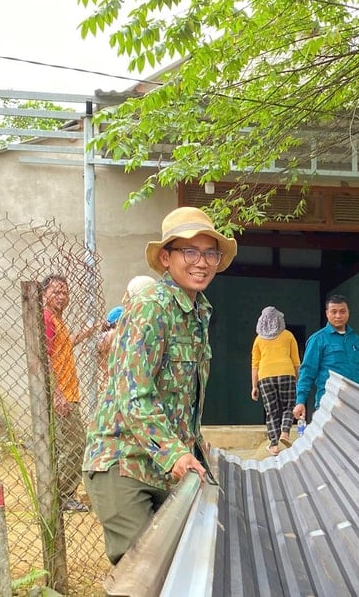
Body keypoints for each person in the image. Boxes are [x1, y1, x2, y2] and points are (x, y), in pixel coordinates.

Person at [83, 206, 237, 565]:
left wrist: (194, 448)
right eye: (190, 251)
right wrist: (175, 453)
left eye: (210, 253)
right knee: (143, 572)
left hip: (165, 466)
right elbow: (133, 394)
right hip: (124, 463)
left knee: (179, 569)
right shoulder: (151, 306)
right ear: (166, 258)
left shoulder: (198, 312)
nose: (202, 262)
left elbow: (185, 397)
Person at [41, 274, 103, 513]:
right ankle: (63, 496)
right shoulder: (47, 318)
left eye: (65, 292)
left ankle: (57, 495)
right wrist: (57, 394)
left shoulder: (57, 320)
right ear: (44, 294)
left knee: (66, 446)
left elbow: (64, 346)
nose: (61, 296)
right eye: (56, 291)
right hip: (63, 395)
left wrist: (88, 332)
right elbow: (46, 358)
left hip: (68, 392)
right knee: (76, 445)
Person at [292, 295, 359, 423]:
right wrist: (300, 401)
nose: (338, 316)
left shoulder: (356, 340)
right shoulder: (318, 340)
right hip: (329, 403)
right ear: (327, 313)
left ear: (348, 313)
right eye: (334, 312)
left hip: (357, 404)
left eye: (342, 311)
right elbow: (307, 372)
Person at [251, 306, 301, 456]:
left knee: (271, 411)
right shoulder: (288, 335)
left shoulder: (258, 339)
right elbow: (296, 361)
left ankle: (274, 445)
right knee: (288, 406)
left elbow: (255, 364)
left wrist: (254, 386)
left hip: (265, 375)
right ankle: (285, 433)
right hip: (286, 372)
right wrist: (298, 380)